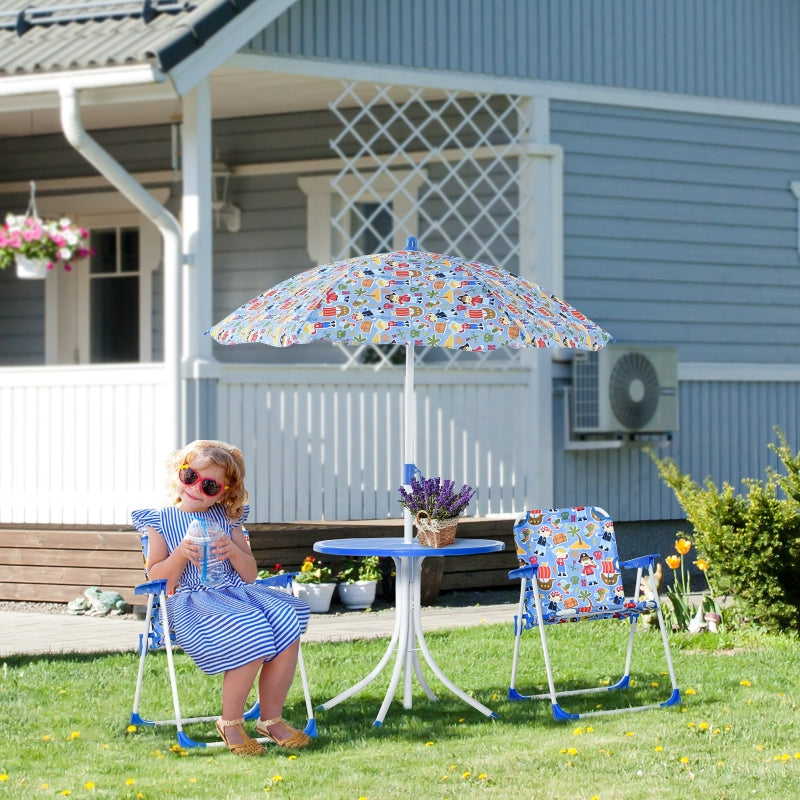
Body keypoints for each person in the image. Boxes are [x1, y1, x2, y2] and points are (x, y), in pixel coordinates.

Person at [131, 439, 312, 757]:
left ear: (226, 492)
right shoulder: (160, 521)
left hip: (235, 594)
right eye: (191, 477)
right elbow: (159, 579)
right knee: (253, 630)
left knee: (286, 619)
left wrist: (233, 551)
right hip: (191, 602)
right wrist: (181, 555)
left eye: (211, 485)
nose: (197, 488)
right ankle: (230, 721)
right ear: (179, 473)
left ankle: (270, 718)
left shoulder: (228, 519)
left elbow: (249, 574)